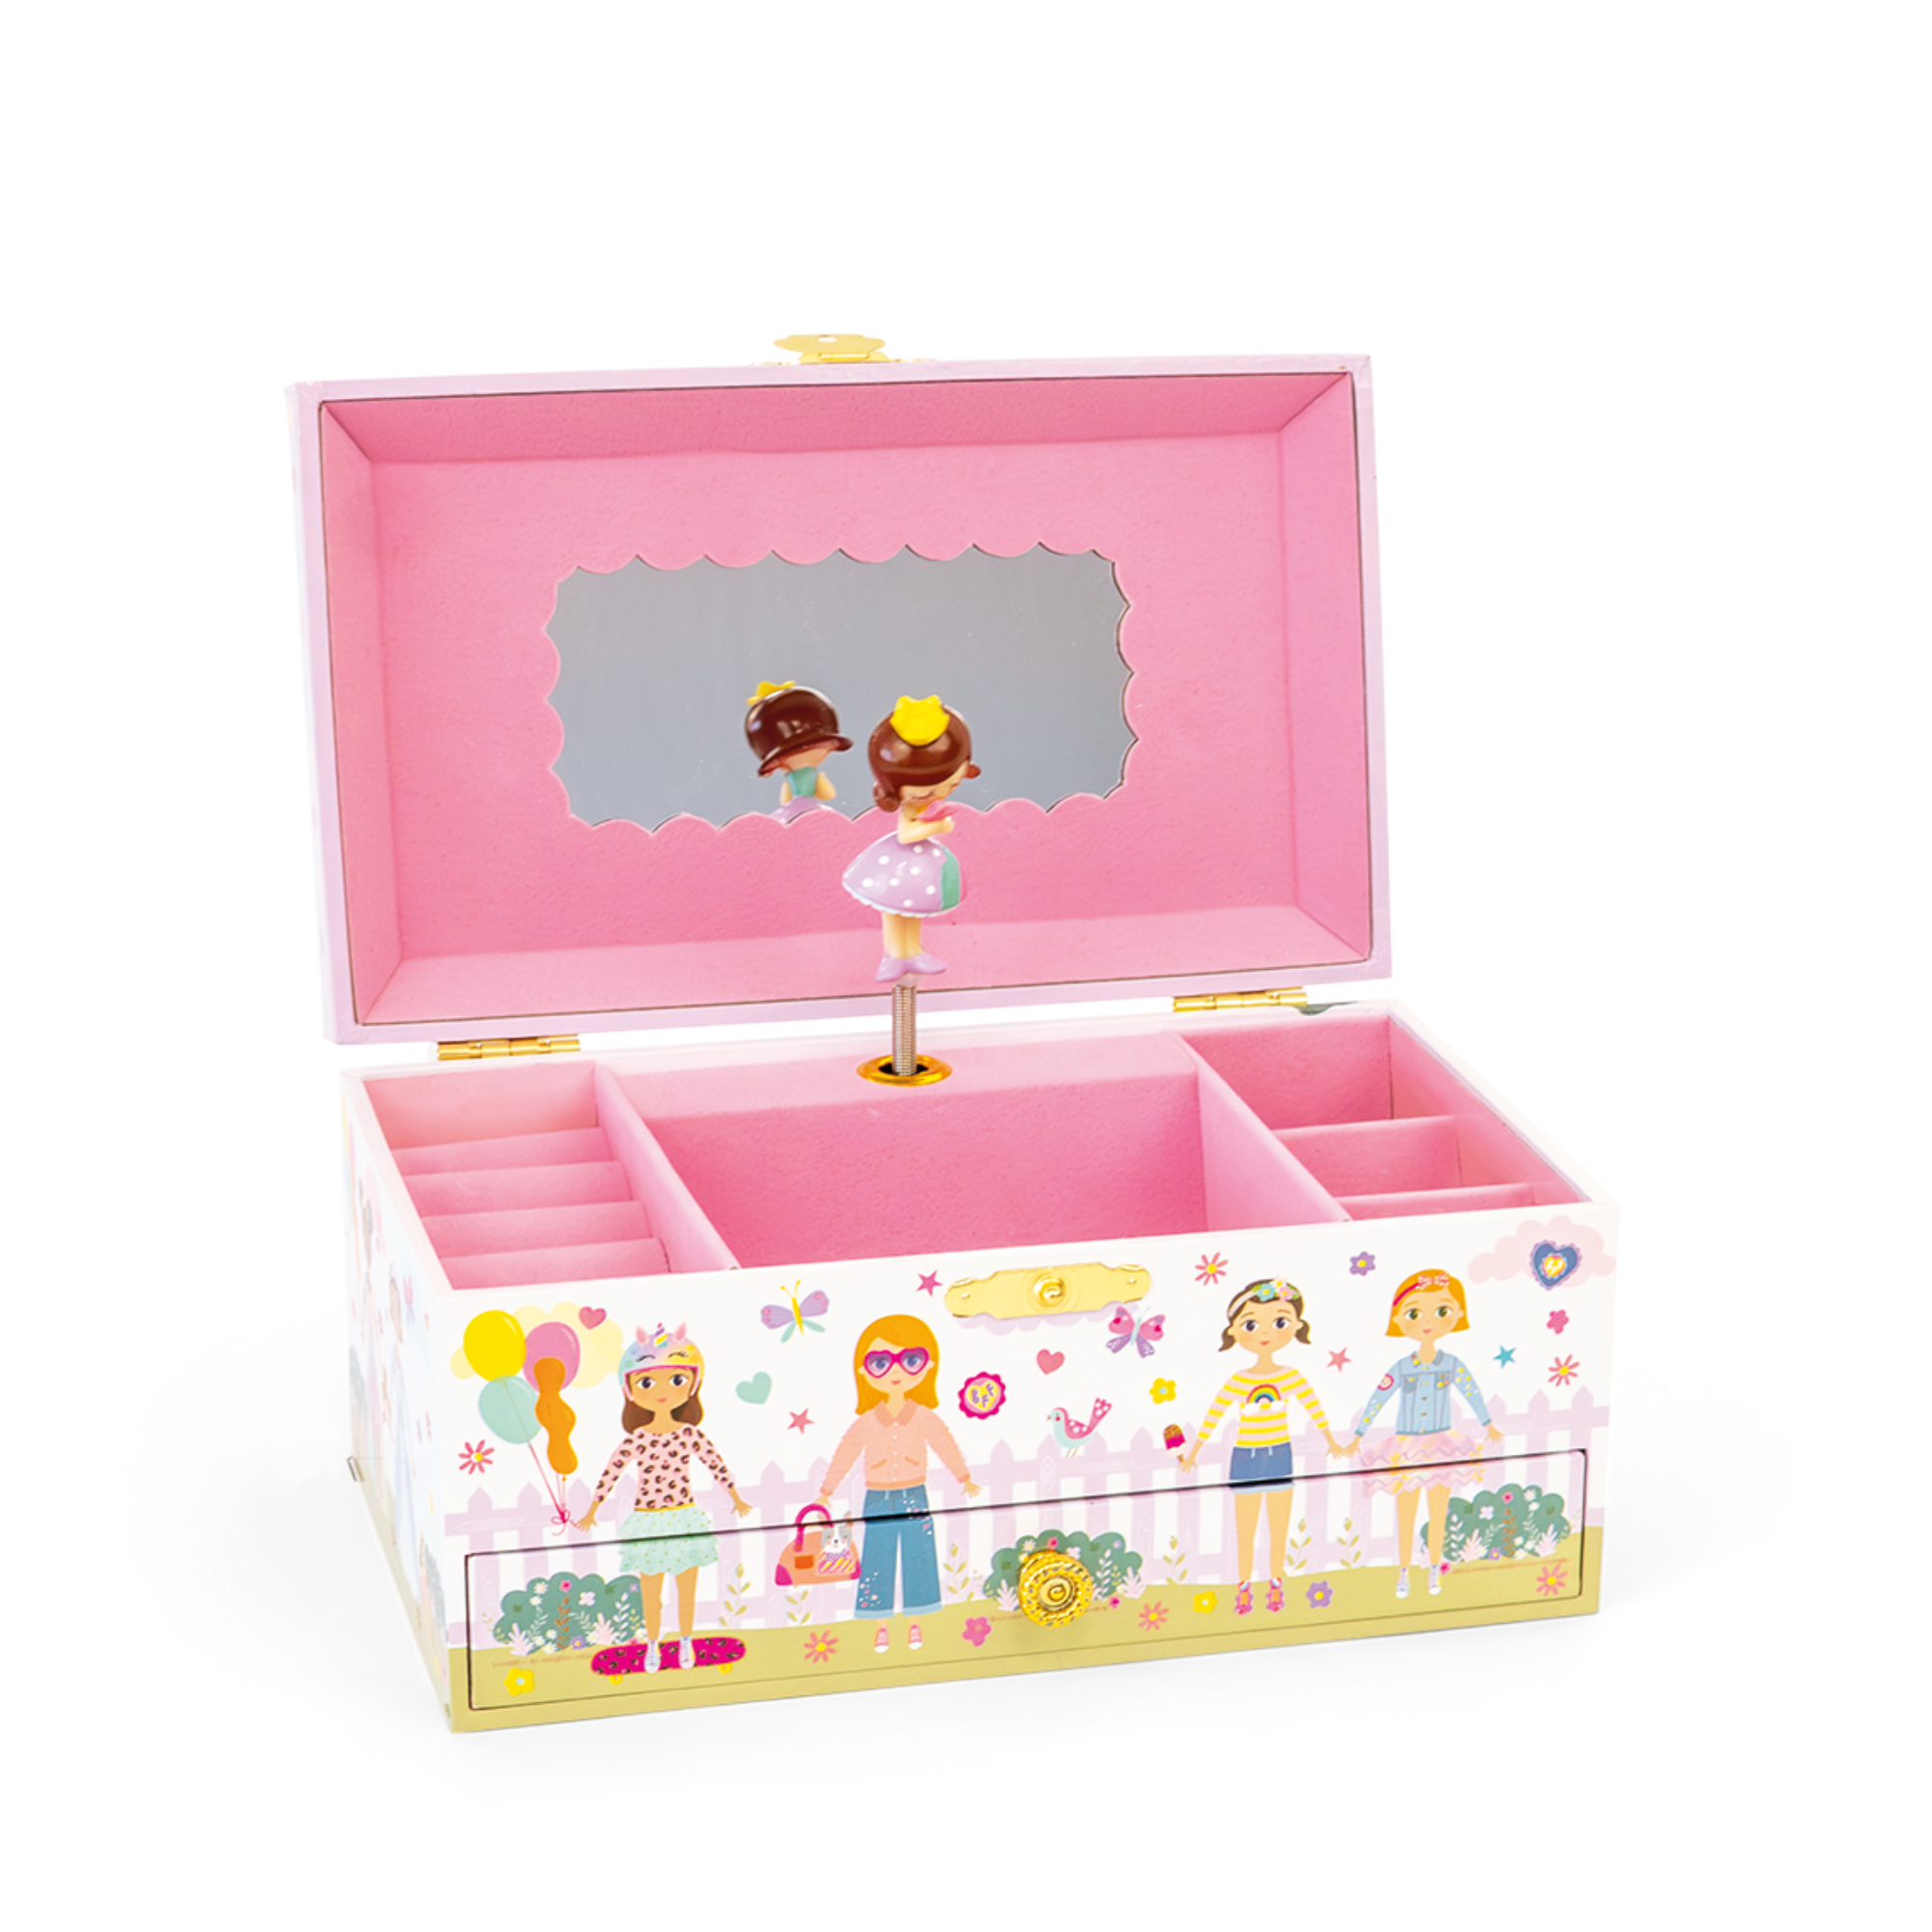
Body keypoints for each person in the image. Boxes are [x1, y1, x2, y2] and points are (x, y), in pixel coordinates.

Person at [574, 1324, 752, 1670]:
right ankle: (653, 1646)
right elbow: (612, 1470)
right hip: (649, 1520)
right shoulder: (638, 1437)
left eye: (676, 1380)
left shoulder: (688, 1434)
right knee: (651, 1593)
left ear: (692, 1385)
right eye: (647, 1383)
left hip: (683, 1515)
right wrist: (593, 1507)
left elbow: (714, 1462)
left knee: (686, 1589)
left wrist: (735, 1496)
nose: (662, 1391)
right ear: (631, 1390)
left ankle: (685, 1642)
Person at [1179, 1280, 1348, 1613]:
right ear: (1234, 1331)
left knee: (1278, 1527)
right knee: (1246, 1530)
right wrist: (1194, 1453)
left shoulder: (1291, 1376)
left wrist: (1330, 1441)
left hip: (1279, 1453)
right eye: (1251, 1324)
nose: (1266, 1332)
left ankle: (1275, 1585)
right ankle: (1244, 1588)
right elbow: (1213, 1415)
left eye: (1280, 1321)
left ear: (1296, 1326)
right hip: (1246, 1456)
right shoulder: (1239, 1380)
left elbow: (1314, 1408)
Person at [816, 1313, 981, 1652]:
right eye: (880, 1362)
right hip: (878, 1496)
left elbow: (944, 1444)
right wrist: (826, 1492)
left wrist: (963, 1477)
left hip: (913, 1492)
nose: (895, 1372)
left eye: (910, 1360)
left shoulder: (923, 1417)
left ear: (928, 1365)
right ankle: (880, 1625)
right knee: (878, 1557)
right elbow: (846, 1452)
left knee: (919, 1555)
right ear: (864, 1371)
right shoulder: (867, 1421)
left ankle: (915, 1623)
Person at [1337, 1270, 1506, 1598]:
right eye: (1415, 1313)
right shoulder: (1403, 1366)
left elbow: (1471, 1390)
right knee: (1406, 1513)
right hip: (1406, 1446)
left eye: (1441, 1311)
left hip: (1442, 1444)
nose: (1428, 1321)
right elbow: (1379, 1397)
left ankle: (1434, 1568)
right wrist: (1359, 1434)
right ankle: (1403, 1571)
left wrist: (1488, 1423)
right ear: (1399, 1319)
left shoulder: (1451, 1363)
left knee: (1438, 1511)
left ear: (1457, 1314)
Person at [840, 695, 978, 980]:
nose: (936, 796)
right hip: (896, 865)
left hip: (922, 865)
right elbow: (906, 835)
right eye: (923, 793)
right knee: (893, 912)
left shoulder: (927, 807)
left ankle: (913, 951)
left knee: (914, 911)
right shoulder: (910, 811)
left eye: (951, 785)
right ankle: (894, 954)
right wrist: (936, 827)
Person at [743, 679, 850, 821]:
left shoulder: (796, 778)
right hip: (803, 815)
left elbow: (787, 799)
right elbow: (828, 794)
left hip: (801, 814)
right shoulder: (802, 778)